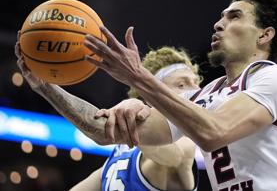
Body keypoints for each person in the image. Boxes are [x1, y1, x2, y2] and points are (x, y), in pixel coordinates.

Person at [83, 0, 277, 191]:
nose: (218, 24)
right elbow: (106, 132)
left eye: (234, 17)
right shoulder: (204, 95)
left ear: (264, 35)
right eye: (222, 17)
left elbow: (213, 132)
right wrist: (47, 87)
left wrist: (138, 76)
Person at [15, 45, 200, 190]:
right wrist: (44, 85)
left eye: (197, 83)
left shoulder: (186, 142)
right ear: (150, 94)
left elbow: (174, 156)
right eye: (182, 85)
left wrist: (46, 87)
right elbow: (99, 128)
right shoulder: (121, 157)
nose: (196, 91)